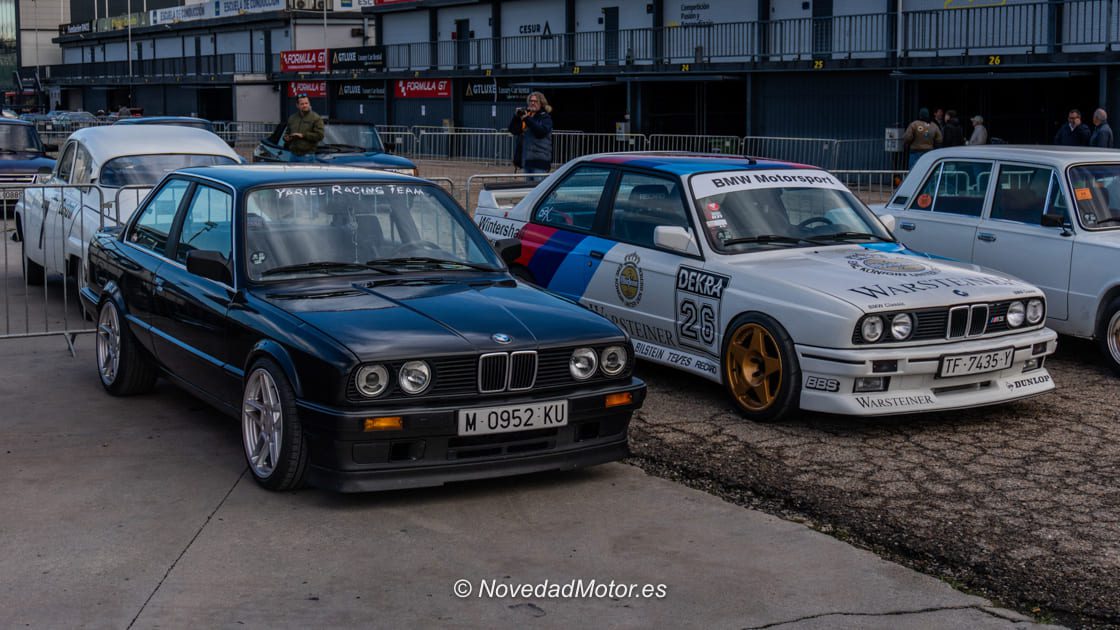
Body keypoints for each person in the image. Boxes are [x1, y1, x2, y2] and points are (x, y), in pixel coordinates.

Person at [508, 91, 553, 175]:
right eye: (531, 101)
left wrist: (527, 119)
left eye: (535, 101)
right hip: (527, 160)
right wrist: (516, 117)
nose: (532, 103)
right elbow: (513, 130)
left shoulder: (545, 117)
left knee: (539, 187)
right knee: (529, 188)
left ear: (541, 103)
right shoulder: (527, 116)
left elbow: (541, 132)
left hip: (540, 162)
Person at [284, 94, 325, 159]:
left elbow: (320, 135)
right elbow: (288, 132)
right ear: (297, 105)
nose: (305, 105)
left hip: (308, 156)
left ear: (309, 104)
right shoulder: (292, 118)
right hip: (293, 155)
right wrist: (286, 137)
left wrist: (303, 135)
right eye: (302, 104)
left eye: (306, 103)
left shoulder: (316, 118)